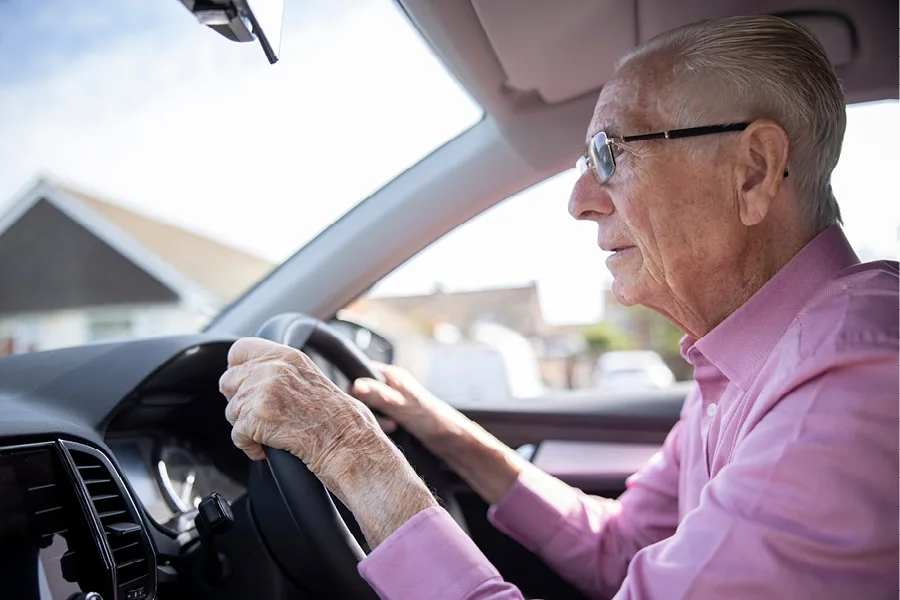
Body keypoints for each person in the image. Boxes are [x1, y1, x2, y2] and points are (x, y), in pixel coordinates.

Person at [217, 14, 899, 600]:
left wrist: (352, 452)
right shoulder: (754, 359)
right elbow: (621, 544)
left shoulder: (849, 390)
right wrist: (444, 429)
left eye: (609, 152)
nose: (579, 199)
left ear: (751, 171)